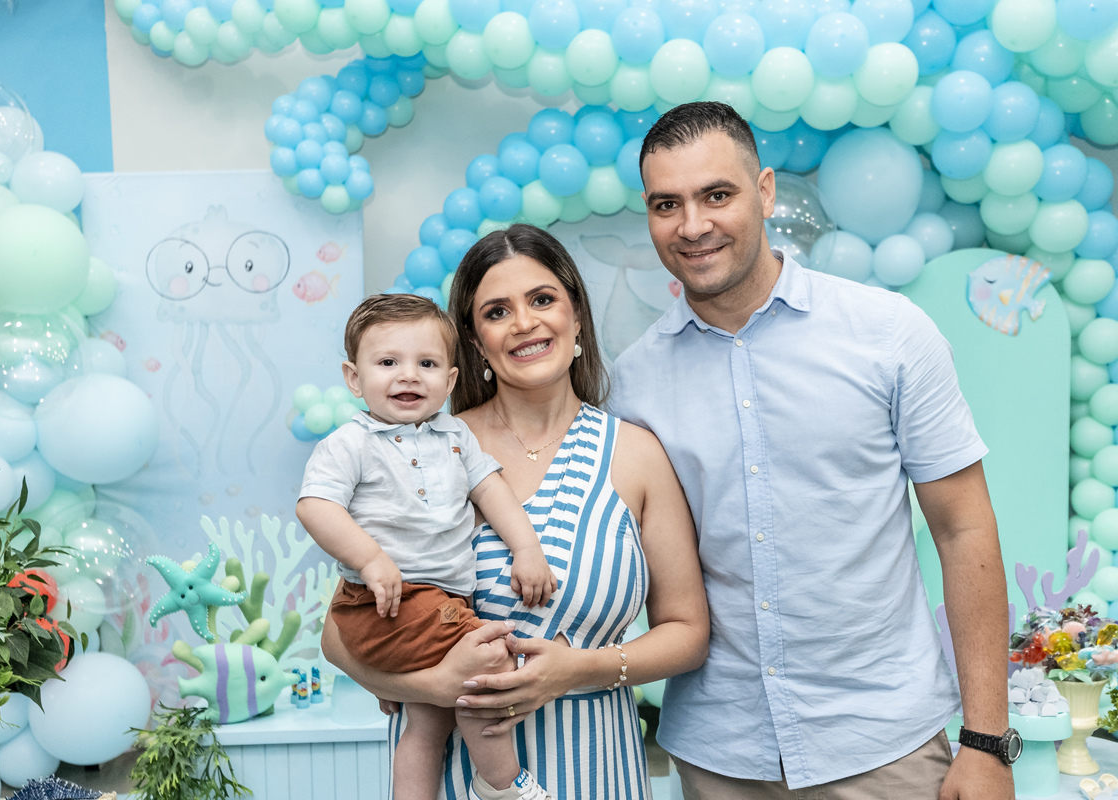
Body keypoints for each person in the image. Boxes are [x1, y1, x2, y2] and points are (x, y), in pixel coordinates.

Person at [609, 101, 1013, 800]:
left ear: (765, 191)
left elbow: (964, 528)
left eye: (717, 195)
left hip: (883, 746)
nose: (693, 225)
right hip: (718, 754)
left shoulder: (888, 333)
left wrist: (986, 741)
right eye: (666, 204)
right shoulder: (633, 382)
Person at [320, 224, 710, 800]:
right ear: (475, 343)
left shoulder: (638, 455)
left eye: (542, 299)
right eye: (497, 311)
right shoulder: (421, 447)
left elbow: (687, 633)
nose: (524, 323)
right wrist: (434, 686)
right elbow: (339, 633)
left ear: (577, 316)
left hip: (595, 766)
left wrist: (579, 670)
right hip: (450, 773)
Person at [297, 293, 559, 800]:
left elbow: (492, 491)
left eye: (427, 364)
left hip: (440, 601)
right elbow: (315, 506)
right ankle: (503, 784)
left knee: (428, 722)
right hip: (392, 601)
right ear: (354, 378)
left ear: (451, 379)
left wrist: (527, 550)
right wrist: (371, 559)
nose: (408, 376)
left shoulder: (455, 435)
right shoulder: (351, 442)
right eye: (387, 363)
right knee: (491, 659)